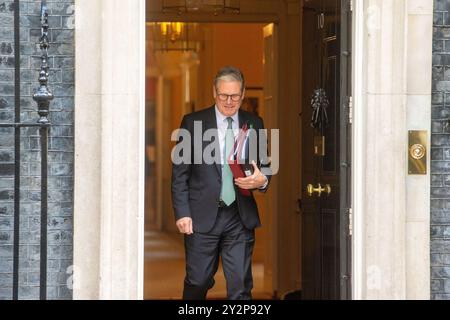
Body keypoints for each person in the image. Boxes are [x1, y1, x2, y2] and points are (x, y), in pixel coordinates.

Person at [171, 66, 271, 300]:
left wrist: (262, 180)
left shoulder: (254, 122)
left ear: (243, 93)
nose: (229, 101)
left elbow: (264, 165)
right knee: (198, 282)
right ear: (214, 93)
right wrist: (182, 213)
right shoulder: (193, 122)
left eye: (234, 96)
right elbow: (180, 174)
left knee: (240, 287)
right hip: (201, 217)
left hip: (239, 215)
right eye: (223, 95)